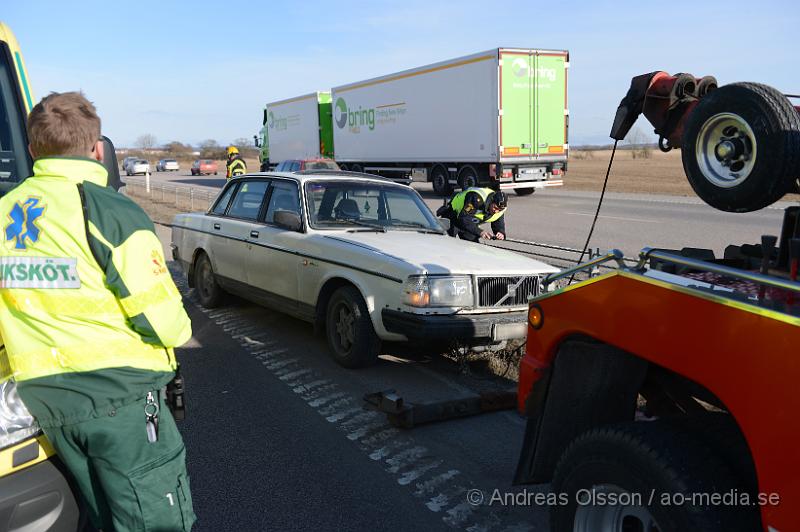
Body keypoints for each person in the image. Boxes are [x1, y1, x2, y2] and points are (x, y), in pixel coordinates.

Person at [0, 92, 195, 531]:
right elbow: (164, 321)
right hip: (119, 394)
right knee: (153, 517)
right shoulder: (109, 210)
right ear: (96, 149)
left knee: (102, 515)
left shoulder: (4, 211)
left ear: (33, 150)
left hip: (46, 400)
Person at [439, 187, 508, 242]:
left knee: (473, 248)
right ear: (491, 201)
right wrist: (480, 232)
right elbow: (463, 218)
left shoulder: (500, 210)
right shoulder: (477, 199)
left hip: (469, 223)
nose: (496, 211)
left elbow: (498, 222)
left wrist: (500, 232)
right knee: (448, 244)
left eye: (499, 210)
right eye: (495, 208)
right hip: (453, 216)